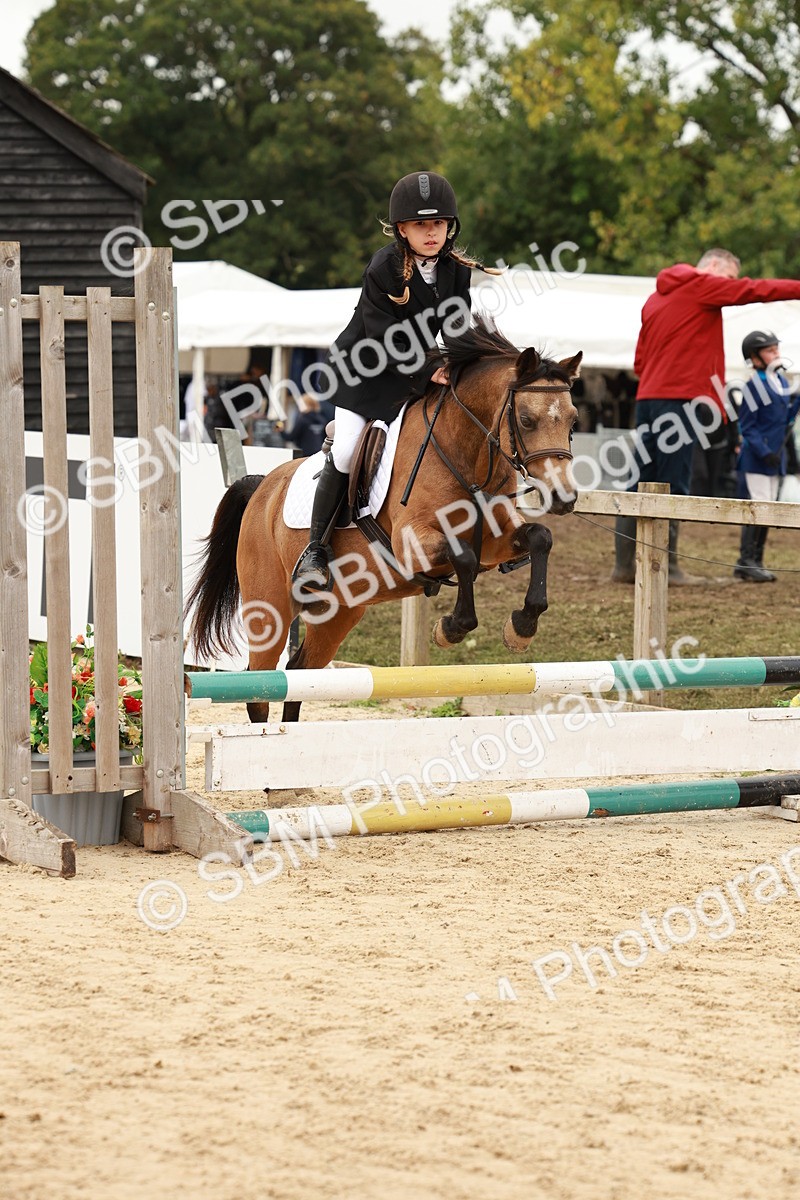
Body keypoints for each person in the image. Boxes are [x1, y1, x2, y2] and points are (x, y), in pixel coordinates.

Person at [293, 170, 482, 591]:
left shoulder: (456, 271)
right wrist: (430, 367)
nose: (432, 232)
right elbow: (383, 337)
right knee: (344, 450)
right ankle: (315, 550)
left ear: (450, 226)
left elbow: (457, 330)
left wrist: (471, 364)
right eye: (421, 225)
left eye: (438, 224)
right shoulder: (383, 267)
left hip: (413, 371)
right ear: (402, 229)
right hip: (365, 370)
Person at [612, 249, 800, 584]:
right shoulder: (702, 284)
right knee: (674, 481)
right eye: (727, 277)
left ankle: (624, 567)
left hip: (648, 399)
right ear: (713, 267)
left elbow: (640, 360)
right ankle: (667, 569)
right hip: (680, 400)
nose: (728, 286)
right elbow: (755, 290)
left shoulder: (654, 299)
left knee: (638, 481)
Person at [733, 331, 800, 582]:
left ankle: (756, 560)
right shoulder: (753, 385)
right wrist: (764, 451)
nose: (777, 354)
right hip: (757, 458)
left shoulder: (781, 382)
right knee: (759, 507)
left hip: (777, 457)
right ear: (755, 357)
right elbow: (747, 426)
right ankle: (746, 561)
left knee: (768, 508)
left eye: (776, 349)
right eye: (770, 351)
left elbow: (787, 418)